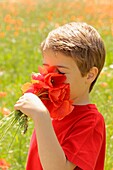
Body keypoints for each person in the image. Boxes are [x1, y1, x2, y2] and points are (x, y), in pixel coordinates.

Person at [14, 22, 106, 170]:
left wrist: (41, 116)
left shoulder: (90, 122)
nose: (50, 77)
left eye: (61, 72)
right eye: (47, 69)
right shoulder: (51, 111)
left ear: (89, 75)